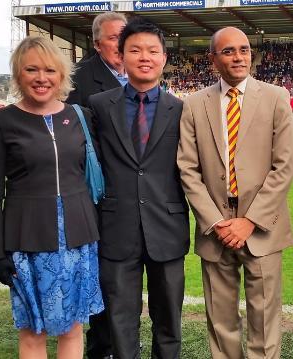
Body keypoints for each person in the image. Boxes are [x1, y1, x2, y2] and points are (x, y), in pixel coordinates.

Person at [0, 36, 103, 358]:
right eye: (31, 69)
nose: (41, 78)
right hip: (27, 241)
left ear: (61, 75)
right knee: (34, 330)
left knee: (73, 327)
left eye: (49, 70)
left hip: (79, 240)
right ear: (18, 74)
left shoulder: (80, 117)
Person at [177, 26, 293, 359]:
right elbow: (188, 168)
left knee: (264, 319)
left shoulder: (276, 98)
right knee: (221, 320)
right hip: (216, 227)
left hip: (261, 226)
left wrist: (250, 221)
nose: (239, 57)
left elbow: (284, 167)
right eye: (228, 51)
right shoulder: (194, 104)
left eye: (244, 49)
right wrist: (217, 222)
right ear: (212, 58)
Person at [88, 17, 189, 358]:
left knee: (169, 320)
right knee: (120, 320)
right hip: (116, 228)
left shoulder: (181, 110)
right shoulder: (101, 106)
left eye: (152, 50)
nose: (144, 57)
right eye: (135, 50)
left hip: (167, 228)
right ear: (121, 55)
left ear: (164, 58)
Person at [65, 11, 126, 359]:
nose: (122, 44)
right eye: (115, 37)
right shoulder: (78, 80)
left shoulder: (139, 74)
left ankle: (123, 343)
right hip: (97, 198)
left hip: (135, 197)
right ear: (97, 42)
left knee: (125, 280)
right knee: (104, 276)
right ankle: (102, 347)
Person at [66, 12, 127, 108]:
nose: (121, 44)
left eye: (124, 37)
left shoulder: (140, 72)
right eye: (113, 38)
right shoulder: (76, 77)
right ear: (97, 45)